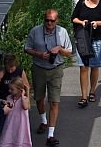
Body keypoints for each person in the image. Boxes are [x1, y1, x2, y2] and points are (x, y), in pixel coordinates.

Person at [24, 9, 73, 147]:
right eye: (47, 20)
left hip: (56, 69)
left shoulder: (62, 32)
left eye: (52, 20)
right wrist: (39, 54)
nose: (49, 23)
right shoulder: (35, 31)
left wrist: (59, 49)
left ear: (57, 21)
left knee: (54, 102)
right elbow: (26, 48)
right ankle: (43, 120)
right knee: (39, 98)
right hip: (39, 68)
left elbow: (69, 52)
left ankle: (50, 135)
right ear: (44, 19)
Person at [70, 0, 101, 108]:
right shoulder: (81, 4)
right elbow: (73, 18)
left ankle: (92, 91)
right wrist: (82, 22)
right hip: (83, 39)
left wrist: (97, 23)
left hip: (97, 38)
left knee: (95, 66)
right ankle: (83, 96)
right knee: (83, 67)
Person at [0, 77, 32, 147]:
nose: (9, 91)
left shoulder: (25, 99)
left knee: (19, 138)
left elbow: (25, 107)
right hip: (10, 123)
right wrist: (3, 102)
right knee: (7, 139)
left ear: (20, 90)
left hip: (20, 125)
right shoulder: (8, 97)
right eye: (9, 89)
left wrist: (22, 95)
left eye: (12, 89)